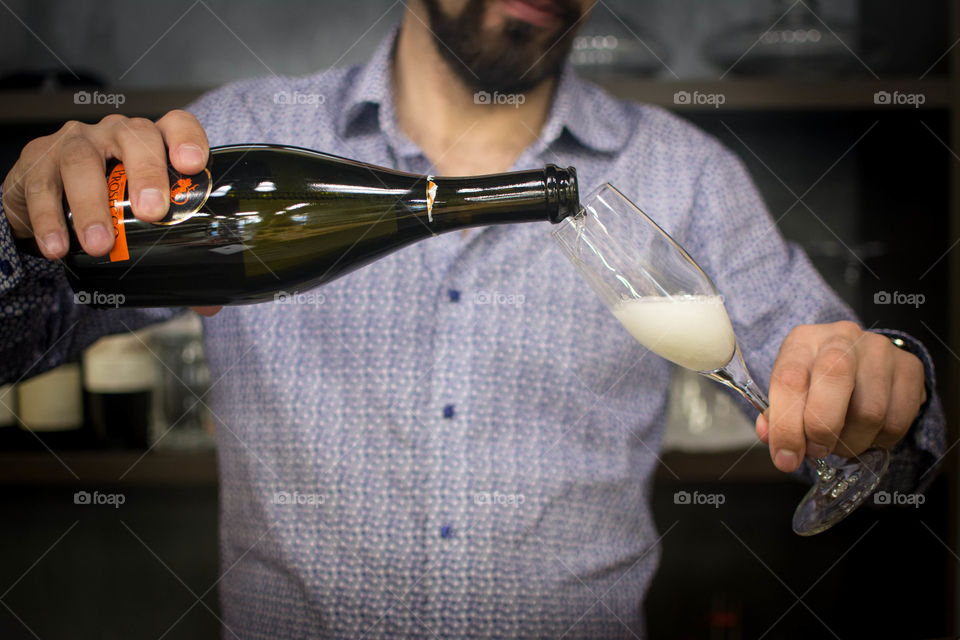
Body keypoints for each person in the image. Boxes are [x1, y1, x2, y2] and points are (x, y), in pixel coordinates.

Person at [0, 0, 945, 637]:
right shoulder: (237, 139)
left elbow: (882, 431)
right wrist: (27, 232)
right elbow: (19, 341)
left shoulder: (685, 172)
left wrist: (885, 383)